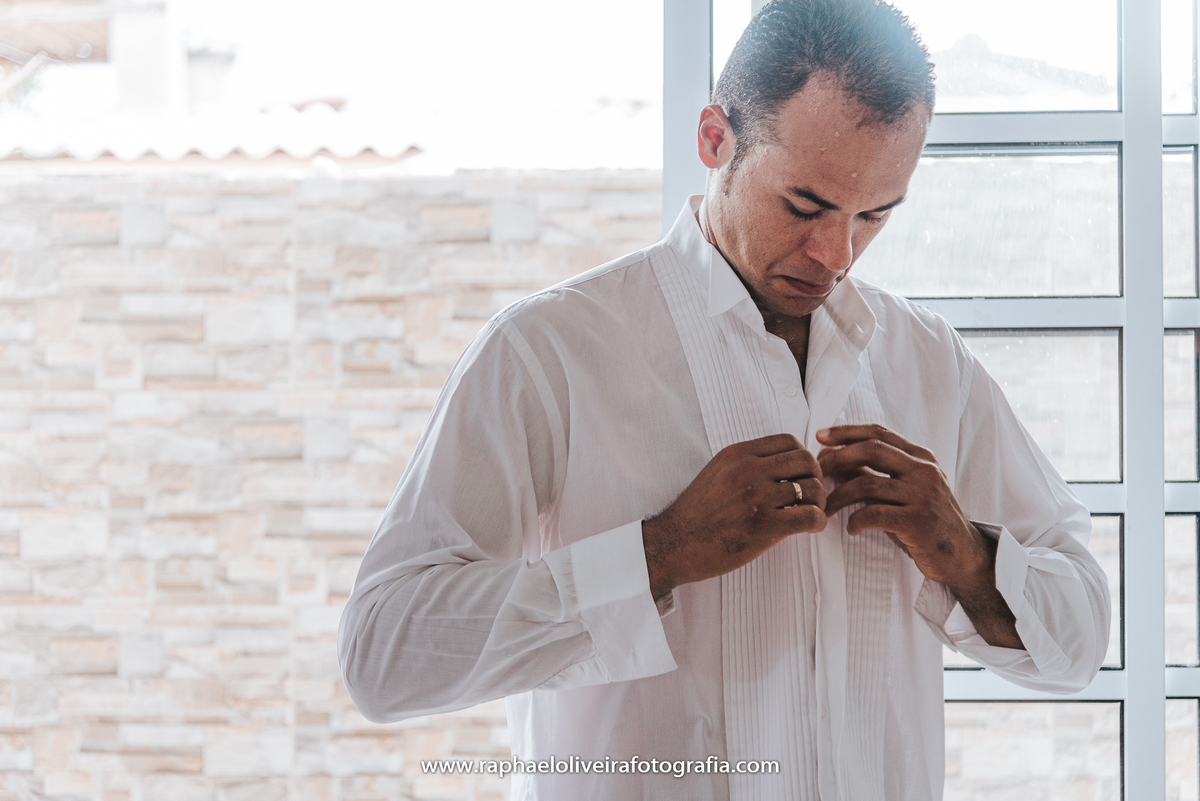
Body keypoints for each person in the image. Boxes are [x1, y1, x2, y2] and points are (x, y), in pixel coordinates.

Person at [337, 1, 1111, 798]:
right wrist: (660, 551)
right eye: (805, 206)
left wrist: (965, 552)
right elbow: (383, 655)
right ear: (715, 139)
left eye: (875, 215)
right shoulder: (549, 353)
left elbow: (1081, 634)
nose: (836, 254)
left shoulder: (930, 364)